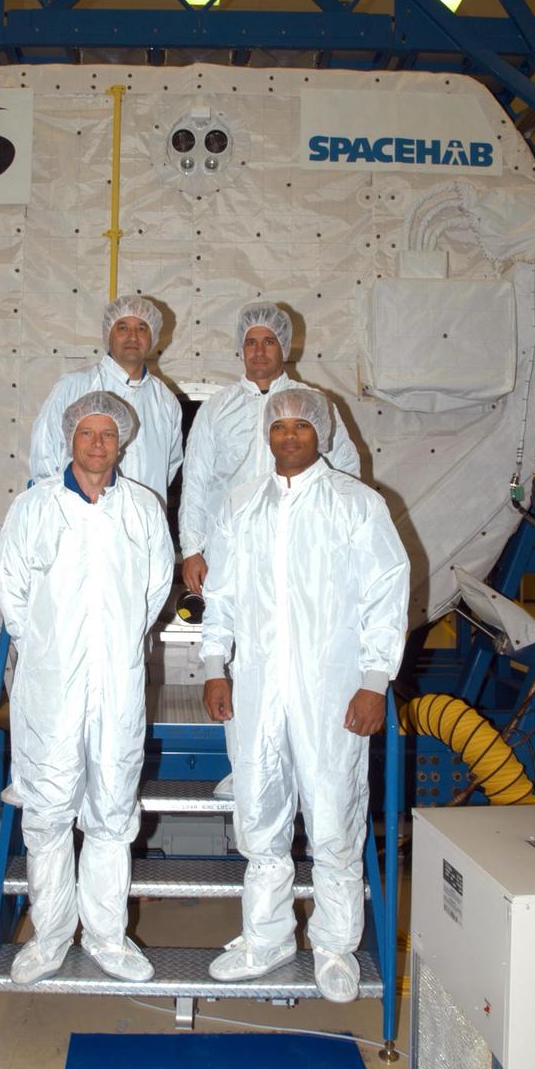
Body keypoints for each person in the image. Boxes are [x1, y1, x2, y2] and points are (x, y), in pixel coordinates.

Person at [200, 387, 409, 1003]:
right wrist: (216, 664)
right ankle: (266, 940)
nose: (289, 436)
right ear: (266, 435)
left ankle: (336, 946)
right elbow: (224, 597)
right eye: (279, 426)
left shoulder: (355, 504)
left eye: (301, 426)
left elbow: (385, 595)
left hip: (332, 691)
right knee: (260, 815)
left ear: (321, 433)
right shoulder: (242, 505)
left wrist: (374, 683)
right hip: (260, 689)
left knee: (334, 813)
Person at [0, 390, 175, 985]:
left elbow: (154, 591)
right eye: (85, 434)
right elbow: (13, 594)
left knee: (111, 812)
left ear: (120, 442)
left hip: (117, 689)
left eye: (107, 435)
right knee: (46, 813)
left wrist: (113, 645)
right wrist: (51, 652)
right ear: (69, 439)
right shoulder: (34, 507)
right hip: (49, 689)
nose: (96, 445)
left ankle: (106, 937)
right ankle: (48, 937)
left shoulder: (143, 509)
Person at [179, 300, 360, 596]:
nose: (259, 352)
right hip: (231, 548)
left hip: (302, 546)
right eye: (251, 342)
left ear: (284, 347)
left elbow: (346, 473)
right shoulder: (216, 408)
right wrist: (192, 549)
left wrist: (339, 538)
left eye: (268, 342)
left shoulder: (314, 403)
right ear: (241, 348)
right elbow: (196, 480)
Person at [29, 295, 183, 504]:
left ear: (153, 337)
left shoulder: (165, 400)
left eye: (141, 328)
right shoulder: (74, 386)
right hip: (81, 522)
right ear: (108, 334)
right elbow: (44, 455)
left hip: (144, 524)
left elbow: (170, 465)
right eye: (122, 327)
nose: (132, 337)